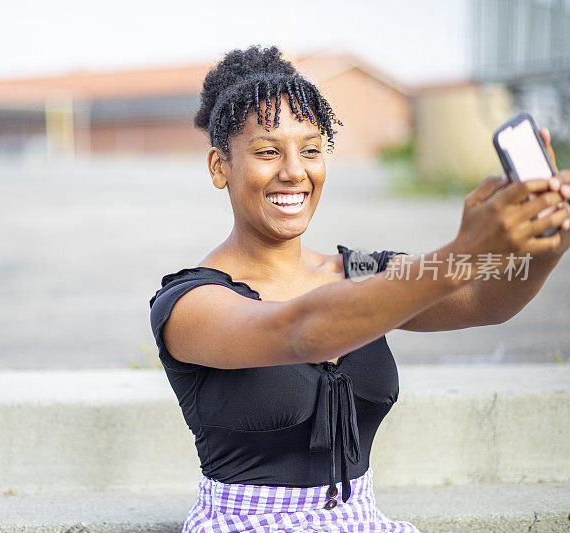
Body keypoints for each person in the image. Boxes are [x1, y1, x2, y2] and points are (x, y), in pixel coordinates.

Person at [148, 45, 570, 532]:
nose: (294, 171)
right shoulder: (189, 303)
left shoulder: (360, 269)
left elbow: (483, 300)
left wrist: (548, 243)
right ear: (219, 167)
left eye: (310, 149)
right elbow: (304, 331)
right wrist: (461, 253)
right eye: (267, 151)